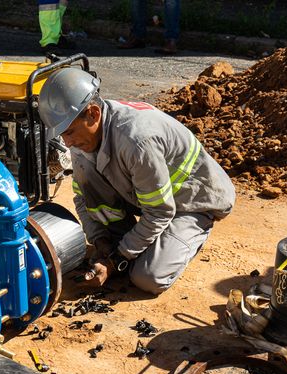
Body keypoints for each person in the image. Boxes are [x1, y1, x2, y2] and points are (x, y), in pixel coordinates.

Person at [37, 68, 236, 294]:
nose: (68, 142)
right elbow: (83, 197)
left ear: (93, 113)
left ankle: (193, 229)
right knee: (89, 176)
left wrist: (116, 259)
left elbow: (160, 211)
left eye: (70, 132)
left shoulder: (136, 141)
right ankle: (134, 239)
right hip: (150, 196)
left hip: (194, 201)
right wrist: (101, 241)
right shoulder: (84, 137)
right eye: (63, 134)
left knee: (148, 277)